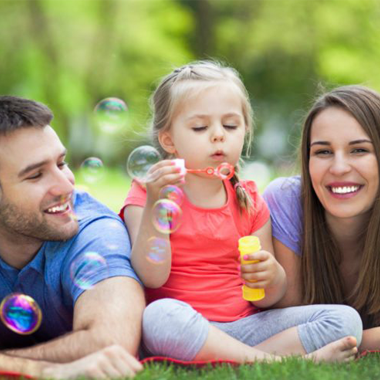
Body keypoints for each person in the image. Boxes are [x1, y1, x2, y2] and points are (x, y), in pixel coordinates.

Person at [121, 61, 361, 364]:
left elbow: (267, 298)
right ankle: (274, 361)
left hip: (247, 327)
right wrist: (157, 203)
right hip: (186, 325)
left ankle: (239, 356)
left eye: (231, 125)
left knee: (345, 320)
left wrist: (272, 276)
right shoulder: (148, 192)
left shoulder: (248, 199)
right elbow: (151, 276)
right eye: (200, 127)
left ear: (245, 131)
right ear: (168, 139)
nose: (218, 135)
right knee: (158, 315)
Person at [0, 96, 144, 377]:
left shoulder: (95, 230)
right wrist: (36, 369)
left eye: (62, 163)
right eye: (35, 175)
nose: (66, 185)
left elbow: (111, 342)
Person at [263, 85, 380, 353]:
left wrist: (342, 336)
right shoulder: (287, 200)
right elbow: (291, 322)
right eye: (323, 152)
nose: (339, 168)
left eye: (359, 150)